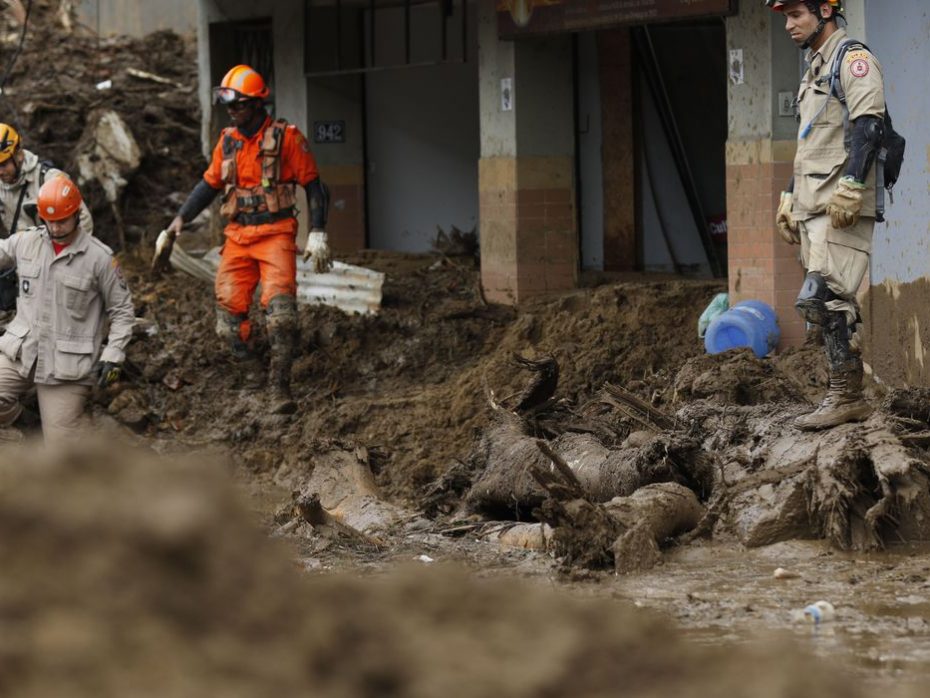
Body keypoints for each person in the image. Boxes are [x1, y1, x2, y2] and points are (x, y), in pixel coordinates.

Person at [165, 64, 330, 413]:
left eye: (238, 104)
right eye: (229, 105)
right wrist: (181, 218)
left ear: (257, 104)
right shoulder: (228, 142)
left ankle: (278, 387)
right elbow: (209, 185)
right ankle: (254, 371)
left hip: (276, 234)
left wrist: (318, 231)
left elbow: (315, 185)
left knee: (282, 316)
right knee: (227, 325)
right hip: (238, 236)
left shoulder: (287, 138)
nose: (232, 111)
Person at [768, 0, 885, 430]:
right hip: (814, 204)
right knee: (823, 306)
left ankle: (846, 396)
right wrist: (789, 195)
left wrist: (853, 186)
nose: (788, 25)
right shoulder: (815, 68)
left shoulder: (853, 60)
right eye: (784, 17)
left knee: (823, 296)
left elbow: (869, 125)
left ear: (824, 10)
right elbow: (809, 142)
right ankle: (841, 394)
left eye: (796, 14)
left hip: (842, 205)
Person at [0, 176, 134, 444]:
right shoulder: (26, 242)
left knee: (62, 452)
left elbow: (122, 311)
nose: (56, 228)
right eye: (49, 221)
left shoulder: (99, 259)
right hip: (22, 352)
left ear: (75, 214)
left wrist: (113, 354)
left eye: (62, 220)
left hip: (66, 366)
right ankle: (27, 427)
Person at [0, 123, 94, 323]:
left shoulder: (49, 179)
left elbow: (83, 223)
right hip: (21, 271)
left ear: (18, 155)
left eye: (3, 165)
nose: (0, 172)